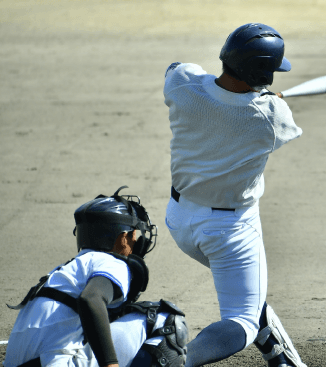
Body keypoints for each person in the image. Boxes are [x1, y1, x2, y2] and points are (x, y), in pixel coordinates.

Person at [163, 23, 307, 367]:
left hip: (179, 219)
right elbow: (278, 122)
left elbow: (181, 71)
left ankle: (285, 360)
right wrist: (268, 100)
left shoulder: (182, 85)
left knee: (249, 295)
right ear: (263, 76)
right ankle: (172, 362)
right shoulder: (272, 116)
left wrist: (256, 97)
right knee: (242, 317)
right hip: (229, 232)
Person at [4, 186, 188, 367]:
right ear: (123, 238)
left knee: (109, 319)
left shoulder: (62, 272)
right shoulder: (112, 263)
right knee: (167, 319)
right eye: (134, 235)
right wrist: (110, 364)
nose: (136, 241)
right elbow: (91, 300)